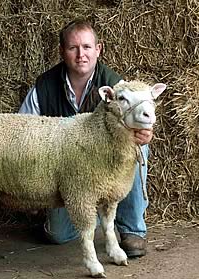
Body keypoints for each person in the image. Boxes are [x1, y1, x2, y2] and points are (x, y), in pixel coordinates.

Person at [19, 19, 152, 258]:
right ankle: (91, 218)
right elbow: (23, 131)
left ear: (98, 49)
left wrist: (143, 135)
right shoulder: (44, 87)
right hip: (66, 172)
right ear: (62, 51)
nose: (81, 54)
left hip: (105, 163)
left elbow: (138, 118)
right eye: (73, 48)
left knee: (138, 150)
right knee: (57, 235)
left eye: (87, 47)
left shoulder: (116, 86)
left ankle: (133, 230)